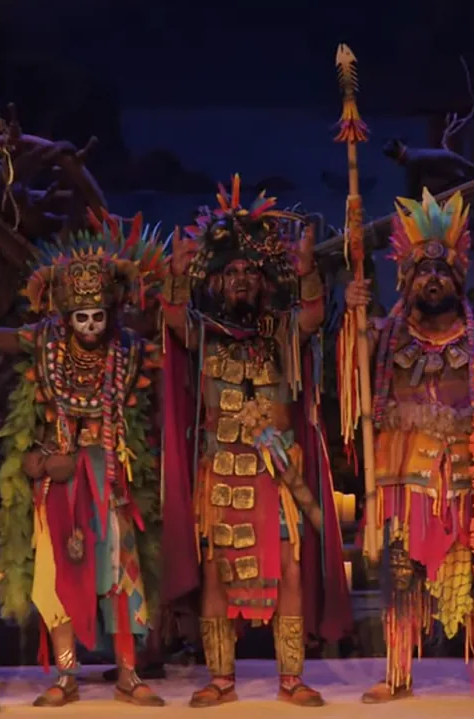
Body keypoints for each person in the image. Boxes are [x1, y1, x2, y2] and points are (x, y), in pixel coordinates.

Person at [344, 189, 474, 703]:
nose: (432, 279)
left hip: (467, 471)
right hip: (404, 473)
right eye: (421, 271)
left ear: (459, 278)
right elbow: (349, 374)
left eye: (441, 270)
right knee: (401, 573)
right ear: (405, 279)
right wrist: (351, 318)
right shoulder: (384, 335)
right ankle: (397, 672)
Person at [159, 176, 351, 708]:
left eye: (250, 271)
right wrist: (175, 278)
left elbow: (313, 315)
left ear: (264, 282)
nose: (241, 279)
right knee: (215, 572)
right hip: (219, 473)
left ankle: (292, 678)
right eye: (232, 272)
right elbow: (173, 320)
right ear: (217, 282)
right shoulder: (204, 335)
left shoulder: (281, 332)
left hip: (277, 475)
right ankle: (221, 678)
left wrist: (308, 272)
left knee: (289, 566)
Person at [0, 211, 167, 706]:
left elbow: (172, 339)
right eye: (81, 318)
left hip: (111, 476)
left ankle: (128, 672)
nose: (89, 326)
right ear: (66, 317)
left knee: (121, 575)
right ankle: (67, 676)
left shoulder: (129, 351)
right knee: (55, 577)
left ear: (110, 313)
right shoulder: (43, 344)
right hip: (58, 478)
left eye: (98, 317)